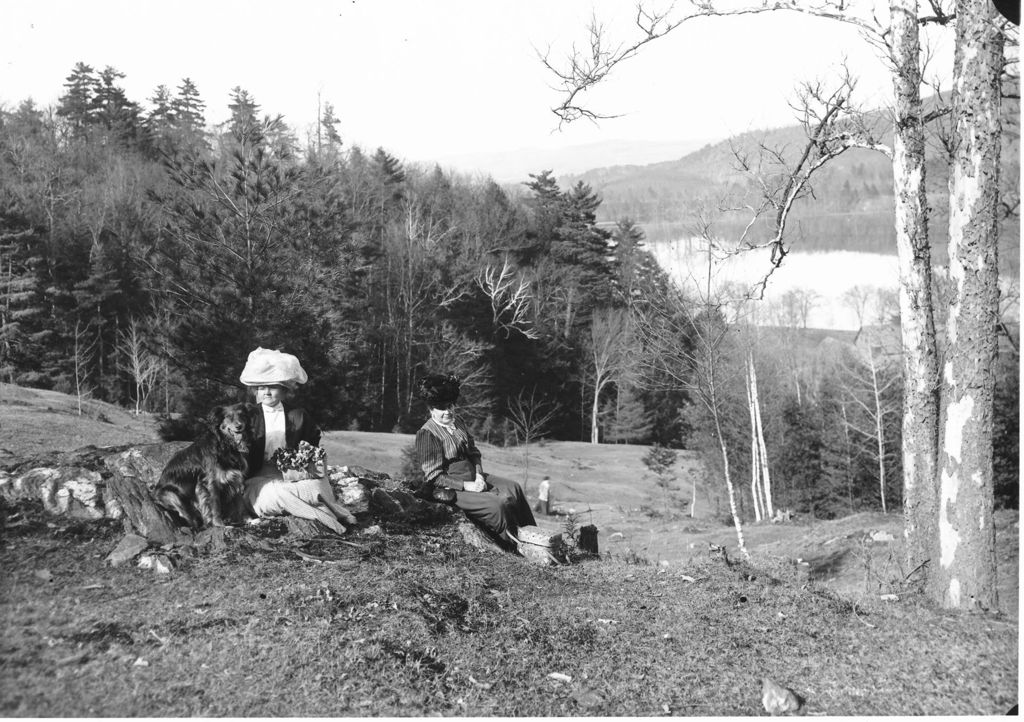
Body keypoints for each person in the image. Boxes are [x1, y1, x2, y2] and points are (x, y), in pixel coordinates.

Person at [239, 347, 355, 534]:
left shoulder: (297, 415)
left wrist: (304, 453)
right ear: (255, 390)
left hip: (293, 476)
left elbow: (312, 446)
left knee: (316, 487)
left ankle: (320, 510)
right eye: (262, 387)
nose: (267, 392)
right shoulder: (247, 416)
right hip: (257, 477)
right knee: (277, 494)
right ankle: (323, 517)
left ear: (284, 390)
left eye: (273, 386)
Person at [414, 373, 535, 549]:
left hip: (473, 474)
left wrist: (479, 475)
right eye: (442, 408)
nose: (448, 411)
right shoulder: (427, 433)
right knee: (498, 506)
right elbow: (434, 476)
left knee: (514, 488)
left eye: (450, 406)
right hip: (450, 485)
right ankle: (514, 547)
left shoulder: (459, 421)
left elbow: (473, 452)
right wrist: (468, 486)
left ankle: (534, 539)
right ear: (431, 409)